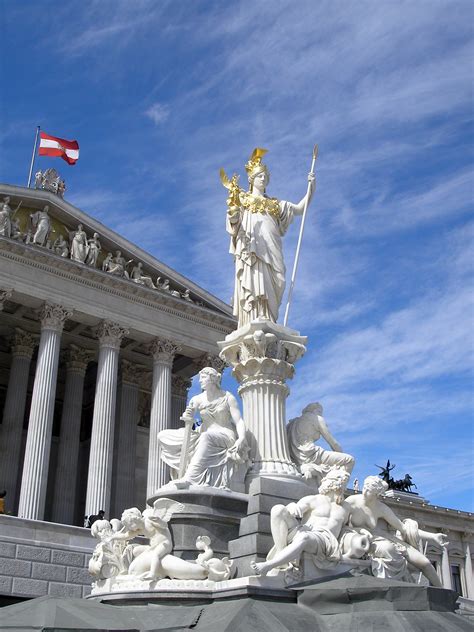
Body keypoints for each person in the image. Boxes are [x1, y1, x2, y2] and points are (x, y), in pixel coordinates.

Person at [223, 148, 316, 327]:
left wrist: (311, 188)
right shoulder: (243, 200)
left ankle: (270, 317)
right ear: (251, 179)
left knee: (278, 278)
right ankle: (255, 316)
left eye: (265, 176)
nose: (263, 179)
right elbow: (233, 223)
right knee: (255, 277)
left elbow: (299, 209)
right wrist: (233, 216)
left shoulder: (275, 204)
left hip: (272, 246)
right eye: (260, 176)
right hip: (252, 247)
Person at [251, 469, 358, 576]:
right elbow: (295, 509)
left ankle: (269, 565)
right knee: (278, 509)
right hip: (305, 530)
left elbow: (350, 527)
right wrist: (292, 506)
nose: (340, 485)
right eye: (338, 480)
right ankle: (282, 557)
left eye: (344, 482)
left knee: (304, 537)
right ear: (328, 481)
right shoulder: (313, 499)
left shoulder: (346, 507)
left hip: (324, 540)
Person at [344, 476, 447, 586]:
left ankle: (444, 595)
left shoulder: (381, 508)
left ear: (377, 494)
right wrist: (359, 530)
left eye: (369, 491)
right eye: (364, 488)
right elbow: (341, 526)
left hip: (379, 537)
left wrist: (433, 536)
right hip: (359, 539)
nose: (364, 492)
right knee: (388, 548)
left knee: (425, 562)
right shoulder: (351, 501)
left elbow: (403, 528)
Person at [158, 367, 248, 489]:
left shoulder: (227, 397)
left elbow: (239, 421)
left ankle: (189, 479)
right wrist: (187, 416)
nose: (200, 381)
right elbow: (189, 414)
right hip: (204, 434)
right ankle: (185, 473)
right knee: (163, 435)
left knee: (206, 437)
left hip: (225, 435)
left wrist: (241, 438)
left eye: (203, 378)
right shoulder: (197, 399)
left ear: (212, 379)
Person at [287, 402, 354, 484]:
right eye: (320, 412)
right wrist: (340, 457)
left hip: (295, 458)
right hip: (311, 455)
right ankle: (337, 489)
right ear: (315, 411)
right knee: (349, 460)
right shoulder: (317, 418)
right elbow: (333, 443)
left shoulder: (292, 422)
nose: (321, 415)